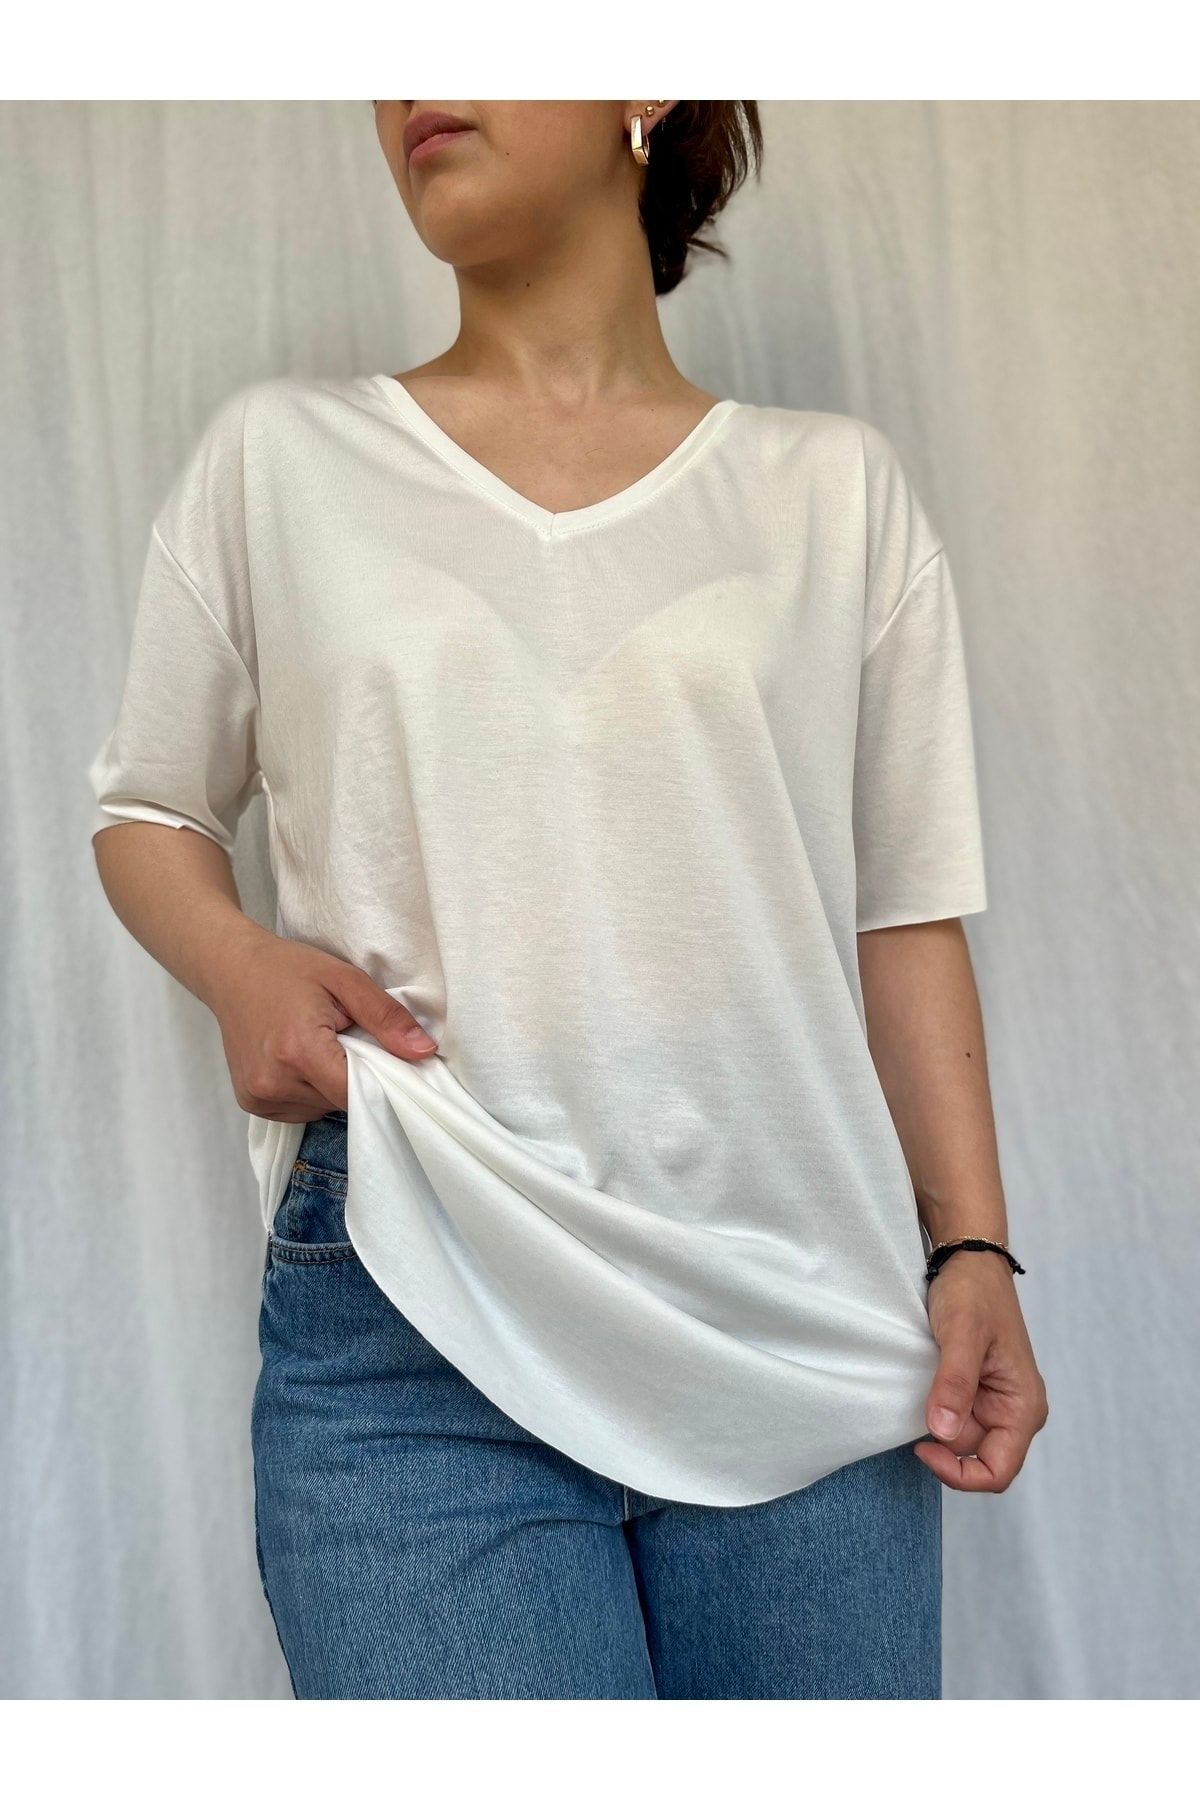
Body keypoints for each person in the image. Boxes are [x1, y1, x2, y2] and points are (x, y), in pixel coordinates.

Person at [87, 100, 1049, 1700]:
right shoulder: (281, 462)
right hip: (413, 1318)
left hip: (799, 1325)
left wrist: (976, 1252)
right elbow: (149, 808)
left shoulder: (836, 495)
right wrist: (236, 962)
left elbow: (904, 910)